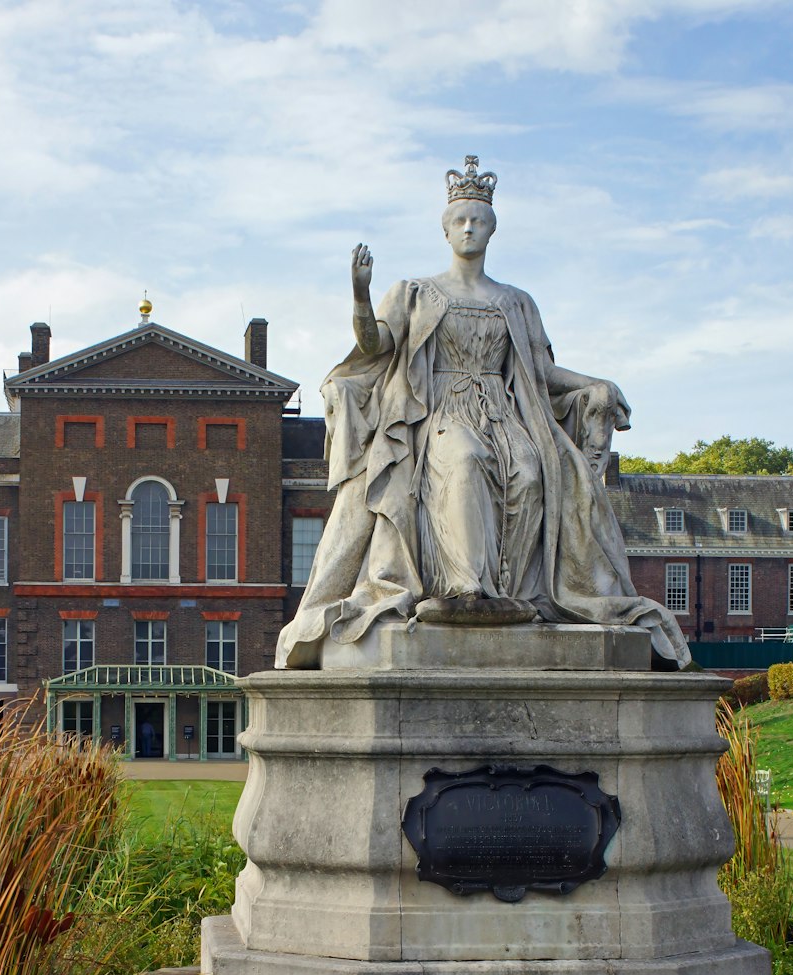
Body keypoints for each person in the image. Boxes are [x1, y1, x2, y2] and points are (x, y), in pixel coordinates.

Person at [276, 156, 690, 670]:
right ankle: (464, 589)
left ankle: (511, 594)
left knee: (533, 473)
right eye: (460, 221)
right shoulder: (415, 293)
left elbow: (542, 375)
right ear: (445, 231)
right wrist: (360, 294)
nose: (469, 228)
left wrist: (595, 384)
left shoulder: (516, 302)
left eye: (479, 221)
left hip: (505, 412)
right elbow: (373, 345)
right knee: (465, 461)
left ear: (492, 230)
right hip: (439, 411)